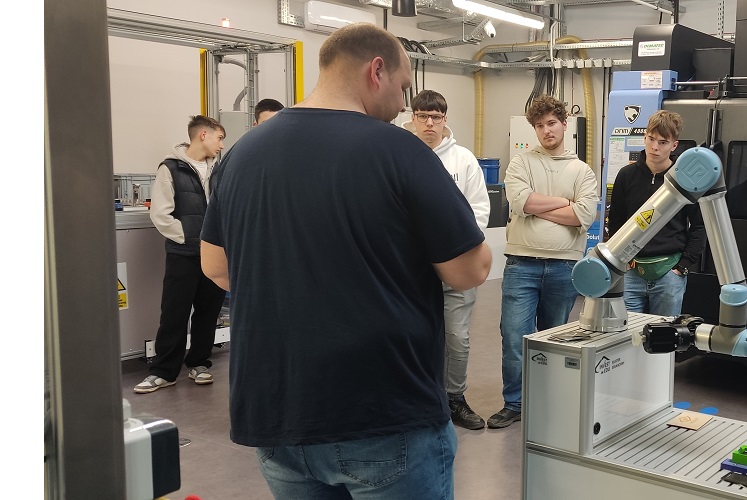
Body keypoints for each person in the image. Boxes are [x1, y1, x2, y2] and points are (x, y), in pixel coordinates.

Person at [199, 23, 490, 499]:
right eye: (402, 88)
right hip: (381, 410)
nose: (402, 105)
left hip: (279, 415)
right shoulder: (401, 150)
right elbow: (469, 269)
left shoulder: (242, 153)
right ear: (376, 71)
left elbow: (215, 265)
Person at [491, 95, 599, 429]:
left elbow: (584, 215)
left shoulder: (582, 171)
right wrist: (565, 203)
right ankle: (515, 403)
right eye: (539, 125)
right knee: (514, 337)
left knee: (554, 341)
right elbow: (520, 202)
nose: (546, 130)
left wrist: (541, 206)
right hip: (521, 264)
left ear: (564, 124)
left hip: (564, 267)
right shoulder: (521, 163)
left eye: (551, 123)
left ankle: (547, 402)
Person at [402, 89, 491, 431]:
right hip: (411, 270)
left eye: (436, 117)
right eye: (423, 116)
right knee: (414, 335)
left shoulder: (463, 160)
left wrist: (455, 249)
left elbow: (478, 211)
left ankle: (454, 399)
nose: (429, 123)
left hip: (456, 266)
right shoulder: (398, 153)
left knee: (456, 337)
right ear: (413, 117)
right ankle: (423, 400)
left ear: (445, 120)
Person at [135, 115, 227, 394]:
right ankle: (164, 371)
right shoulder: (171, 168)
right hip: (183, 254)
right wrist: (188, 237)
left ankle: (199, 363)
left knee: (208, 313)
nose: (222, 145)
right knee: (175, 313)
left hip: (215, 254)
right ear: (203, 135)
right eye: (219, 138)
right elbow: (160, 214)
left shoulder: (221, 169)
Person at [605, 110, 706, 316]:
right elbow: (615, 220)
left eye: (663, 142)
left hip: (669, 273)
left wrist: (683, 266)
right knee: (625, 331)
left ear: (674, 145)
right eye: (651, 139)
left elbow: (700, 226)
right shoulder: (626, 175)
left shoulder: (685, 181)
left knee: (664, 333)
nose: (655, 147)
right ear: (644, 137)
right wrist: (621, 260)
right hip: (632, 272)